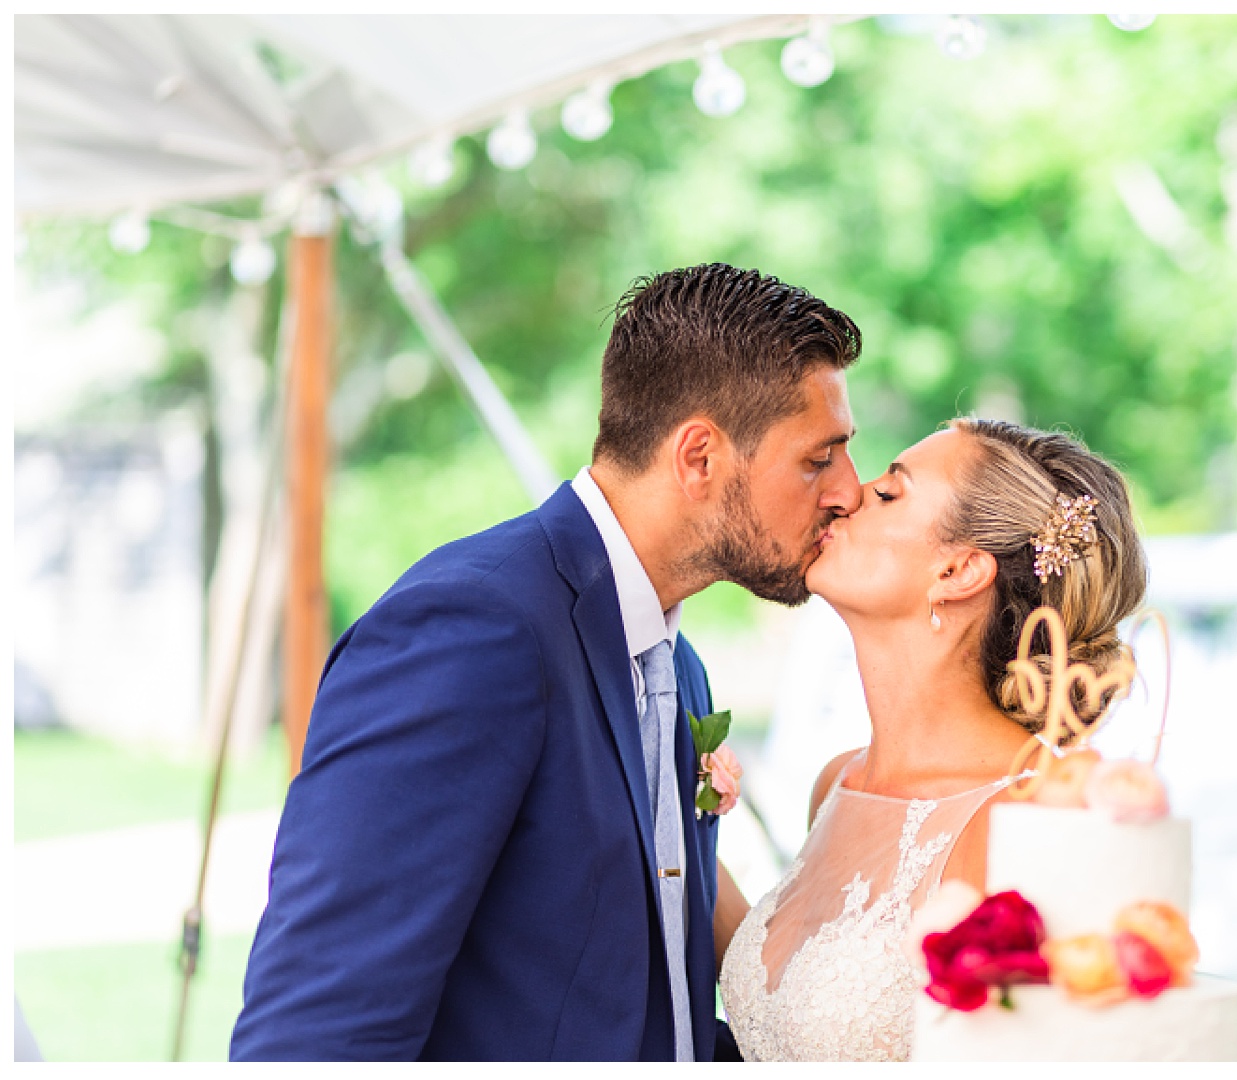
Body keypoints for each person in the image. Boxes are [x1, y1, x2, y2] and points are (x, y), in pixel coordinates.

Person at [231, 264, 864, 1061]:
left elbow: (636, 1007)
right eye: (819, 458)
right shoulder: (469, 631)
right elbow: (317, 1030)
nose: (849, 490)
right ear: (699, 456)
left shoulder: (681, 668)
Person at [718, 418, 1149, 1061]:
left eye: (891, 492)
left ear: (957, 570)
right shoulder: (838, 783)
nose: (849, 493)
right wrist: (665, 813)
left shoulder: (1035, 814)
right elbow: (790, 1008)